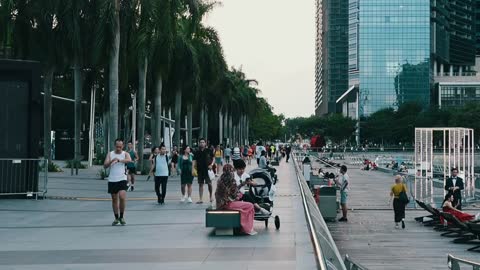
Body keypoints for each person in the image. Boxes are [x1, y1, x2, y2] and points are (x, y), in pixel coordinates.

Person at [215, 164, 257, 235]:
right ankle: (246, 227)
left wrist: (241, 185)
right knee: (250, 205)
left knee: (242, 200)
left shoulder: (220, 180)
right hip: (228, 204)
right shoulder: (231, 180)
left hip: (220, 204)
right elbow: (234, 195)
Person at [103, 139, 132, 226]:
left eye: (120, 146)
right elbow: (105, 165)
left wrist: (119, 160)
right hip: (112, 179)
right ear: (114, 146)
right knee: (114, 199)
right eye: (117, 146)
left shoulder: (125, 154)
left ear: (122, 146)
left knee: (122, 197)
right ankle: (116, 218)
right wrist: (112, 161)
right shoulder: (110, 154)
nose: (118, 148)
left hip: (122, 178)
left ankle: (122, 216)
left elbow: (129, 160)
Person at [193, 138, 214, 204]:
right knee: (200, 184)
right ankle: (200, 199)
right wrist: (193, 168)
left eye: (203, 142)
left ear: (205, 143)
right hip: (200, 169)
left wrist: (212, 164)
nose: (202, 143)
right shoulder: (197, 152)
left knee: (209, 184)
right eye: (201, 142)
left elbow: (213, 158)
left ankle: (211, 196)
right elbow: (194, 160)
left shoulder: (209, 150)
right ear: (199, 143)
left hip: (208, 169)